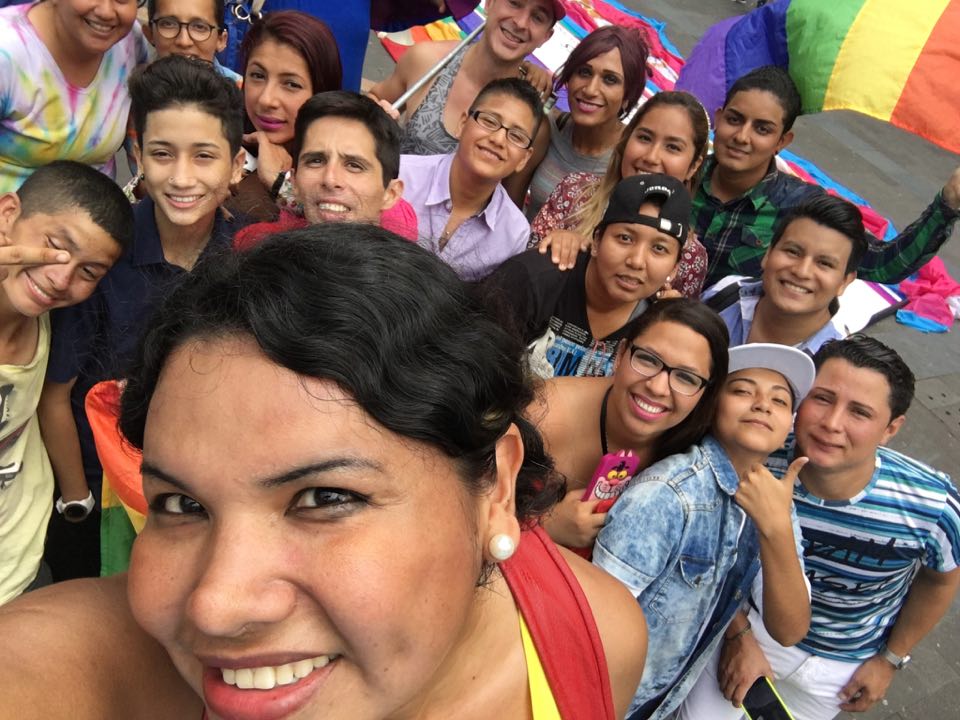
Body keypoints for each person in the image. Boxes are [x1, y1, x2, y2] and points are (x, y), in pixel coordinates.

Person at [0, 223, 647, 719]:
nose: (216, 608)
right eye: (181, 505)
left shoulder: (595, 639)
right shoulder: (80, 676)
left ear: (497, 488)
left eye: (324, 498)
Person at [39, 56, 249, 581]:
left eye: (204, 156)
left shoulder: (248, 258)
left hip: (205, 499)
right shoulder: (103, 256)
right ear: (137, 156)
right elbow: (55, 395)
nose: (181, 177)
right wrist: (77, 501)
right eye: (162, 153)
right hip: (102, 493)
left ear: (236, 165)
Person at [678, 335, 960, 720]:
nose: (831, 423)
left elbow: (941, 580)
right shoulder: (755, 456)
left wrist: (891, 659)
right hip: (748, 628)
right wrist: (736, 632)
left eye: (859, 412)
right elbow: (710, 554)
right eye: (822, 398)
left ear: (891, 429)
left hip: (844, 669)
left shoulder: (932, 504)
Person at [595, 342, 815, 720]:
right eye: (742, 391)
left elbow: (789, 629)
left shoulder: (775, 503)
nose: (762, 405)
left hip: (656, 703)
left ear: (787, 431)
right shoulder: (669, 494)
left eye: (779, 401)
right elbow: (594, 625)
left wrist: (777, 529)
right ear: (712, 406)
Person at [694, 65, 960, 287]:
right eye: (734, 120)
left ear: (782, 141)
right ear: (718, 118)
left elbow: (882, 264)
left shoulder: (801, 207)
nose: (742, 137)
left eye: (762, 129)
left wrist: (947, 205)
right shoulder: (682, 174)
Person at [0, 161, 132, 605]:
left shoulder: (52, 322)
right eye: (55, 247)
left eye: (89, 272)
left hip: (23, 560)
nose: (61, 278)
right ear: (7, 214)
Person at [531, 298, 727, 550]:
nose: (658, 388)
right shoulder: (542, 413)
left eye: (686, 378)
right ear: (621, 354)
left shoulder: (701, 453)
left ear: (706, 393)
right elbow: (480, 510)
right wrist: (544, 527)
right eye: (648, 360)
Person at [487, 173, 690, 379]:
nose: (636, 261)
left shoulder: (659, 324)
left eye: (659, 248)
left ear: (674, 268)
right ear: (597, 240)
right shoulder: (532, 281)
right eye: (625, 238)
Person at [531, 91, 711, 298]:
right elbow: (521, 273)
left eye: (672, 147)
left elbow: (676, 316)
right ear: (626, 140)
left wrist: (665, 310)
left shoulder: (691, 256)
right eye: (644, 138)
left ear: (694, 166)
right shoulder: (575, 192)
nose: (651, 157)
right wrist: (551, 248)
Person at [369, 0, 561, 156]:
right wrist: (378, 123)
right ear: (489, 3)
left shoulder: (530, 117)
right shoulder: (427, 60)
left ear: (546, 36)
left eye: (537, 17)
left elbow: (510, 191)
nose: (520, 22)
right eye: (514, 3)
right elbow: (374, 100)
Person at [234, 90, 418, 249]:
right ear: (293, 182)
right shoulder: (252, 246)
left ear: (390, 194)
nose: (330, 179)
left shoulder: (408, 270)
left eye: (354, 165)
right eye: (315, 161)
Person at [0, 0, 150, 193]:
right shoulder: (7, 52)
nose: (106, 12)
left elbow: (142, 154)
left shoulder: (129, 43)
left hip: (100, 209)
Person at [400, 77, 541, 281]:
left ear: (524, 159)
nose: (498, 139)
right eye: (489, 121)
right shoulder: (401, 175)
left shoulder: (513, 233)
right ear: (462, 124)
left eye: (516, 136)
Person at [508, 24, 651, 218]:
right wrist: (521, 68)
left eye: (610, 79)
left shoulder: (633, 157)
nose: (590, 90)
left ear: (628, 95)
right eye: (584, 72)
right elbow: (507, 211)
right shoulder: (547, 129)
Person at [703, 193, 866, 353]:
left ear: (844, 282)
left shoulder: (831, 362)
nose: (802, 272)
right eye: (793, 251)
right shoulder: (724, 293)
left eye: (825, 263)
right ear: (768, 253)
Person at [228, 10, 343, 221]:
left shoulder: (343, 171)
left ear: (322, 92)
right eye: (258, 75)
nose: (266, 99)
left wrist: (280, 185)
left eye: (291, 84)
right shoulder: (218, 138)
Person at [144, 0, 241, 83]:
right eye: (168, 24)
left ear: (221, 40)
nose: (184, 41)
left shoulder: (242, 93)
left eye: (199, 27)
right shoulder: (137, 91)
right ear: (150, 33)